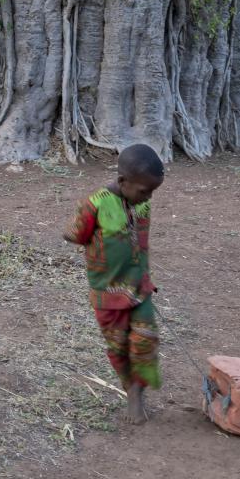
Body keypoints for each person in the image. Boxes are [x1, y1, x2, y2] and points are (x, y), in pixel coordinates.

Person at [63, 143, 164, 425]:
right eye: (145, 190)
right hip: (107, 294)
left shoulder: (141, 202)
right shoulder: (94, 205)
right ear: (122, 181)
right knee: (118, 346)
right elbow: (73, 235)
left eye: (153, 191)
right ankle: (129, 388)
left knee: (146, 339)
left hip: (139, 288)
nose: (149, 196)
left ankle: (139, 390)